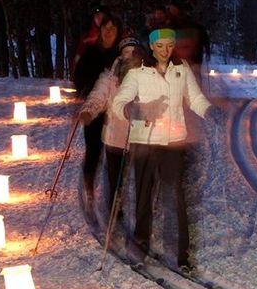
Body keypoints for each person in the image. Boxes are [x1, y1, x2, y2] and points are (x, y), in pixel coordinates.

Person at [111, 28, 213, 272]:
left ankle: (183, 256)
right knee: (144, 195)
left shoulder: (181, 69)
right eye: (160, 46)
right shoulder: (138, 72)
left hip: (173, 142)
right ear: (152, 46)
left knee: (176, 197)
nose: (165, 50)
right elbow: (119, 102)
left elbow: (195, 98)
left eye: (169, 45)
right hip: (144, 140)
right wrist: (134, 110)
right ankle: (140, 247)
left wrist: (210, 111)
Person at [78, 37, 147, 221]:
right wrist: (88, 111)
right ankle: (115, 209)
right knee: (115, 177)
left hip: (138, 136)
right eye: (125, 52)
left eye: (133, 52)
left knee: (141, 176)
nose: (129, 56)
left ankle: (144, 214)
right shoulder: (110, 77)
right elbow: (98, 96)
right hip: (114, 137)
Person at [73, 15, 122, 205]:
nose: (108, 32)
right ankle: (89, 183)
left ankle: (115, 193)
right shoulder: (91, 53)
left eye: (113, 28)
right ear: (100, 30)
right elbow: (78, 77)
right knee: (93, 148)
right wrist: (84, 89)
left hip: (115, 112)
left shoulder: (120, 55)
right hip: (94, 109)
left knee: (114, 152)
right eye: (106, 28)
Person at [72, 4, 109, 75]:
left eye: (102, 17)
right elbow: (78, 58)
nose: (99, 19)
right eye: (97, 16)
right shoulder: (87, 37)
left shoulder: (113, 34)